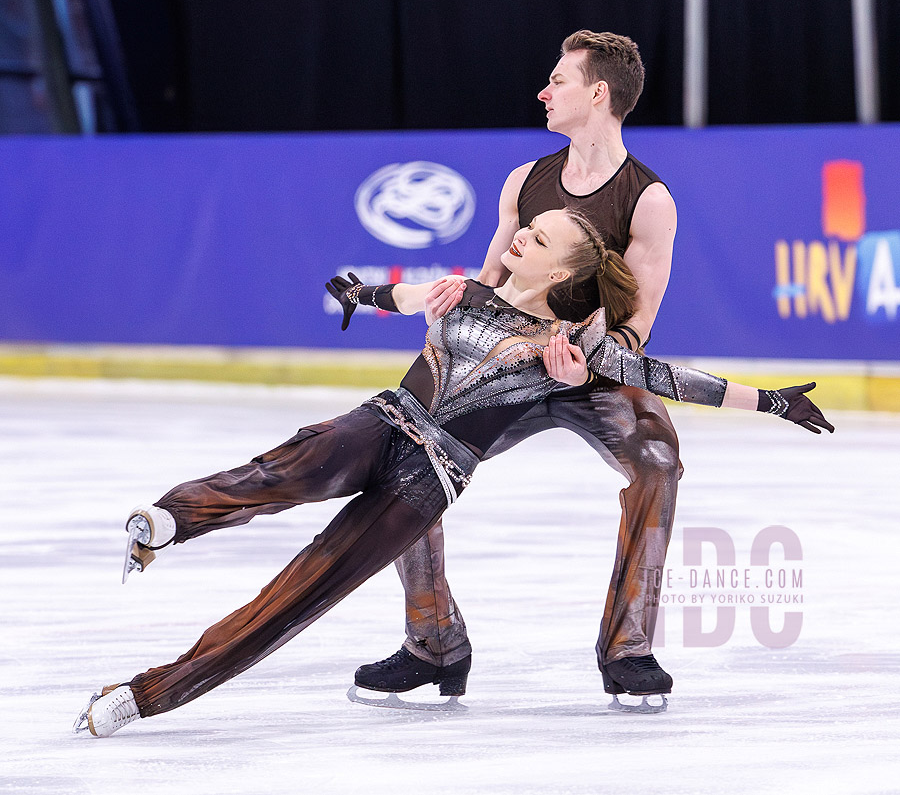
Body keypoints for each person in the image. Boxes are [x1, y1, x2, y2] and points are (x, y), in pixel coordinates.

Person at [72, 208, 832, 737]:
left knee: (303, 591)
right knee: (288, 468)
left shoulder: (572, 351)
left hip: (427, 480)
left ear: (562, 270)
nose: (518, 238)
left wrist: (770, 400)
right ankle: (173, 519)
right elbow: (395, 294)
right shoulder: (459, 290)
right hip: (381, 423)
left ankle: (149, 693)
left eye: (533, 237)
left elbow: (667, 376)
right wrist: (356, 293)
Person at [355, 30, 684, 704]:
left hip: (590, 375)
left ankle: (629, 647)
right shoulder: (524, 181)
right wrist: (449, 304)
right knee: (405, 456)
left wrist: (585, 356)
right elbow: (490, 284)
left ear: (598, 93)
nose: (544, 91)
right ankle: (434, 638)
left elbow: (638, 322)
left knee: (655, 457)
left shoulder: (648, 200)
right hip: (510, 366)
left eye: (558, 80)